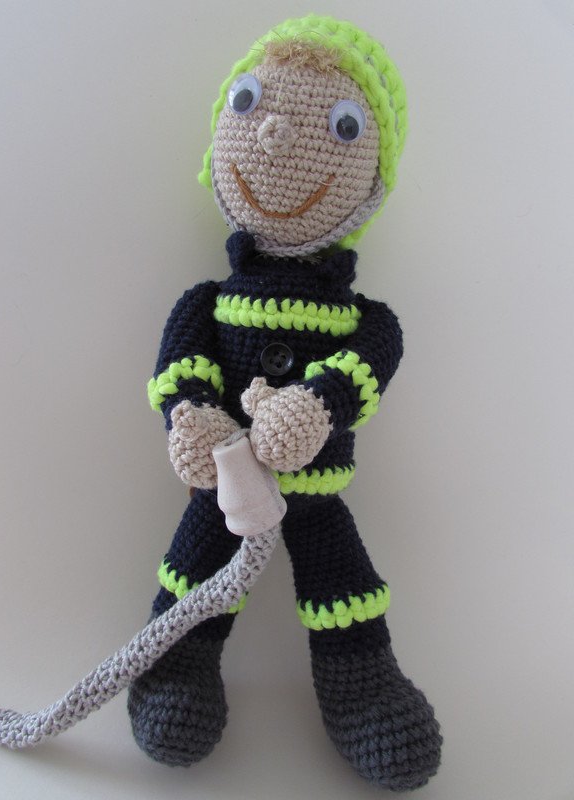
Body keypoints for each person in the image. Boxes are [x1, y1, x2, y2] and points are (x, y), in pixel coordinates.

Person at [128, 14, 442, 790]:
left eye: (341, 127)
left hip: (315, 496)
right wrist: (193, 413)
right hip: (224, 490)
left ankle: (363, 690)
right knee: (193, 578)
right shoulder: (206, 302)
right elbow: (180, 368)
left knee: (344, 591)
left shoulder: (367, 319)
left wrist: (318, 404)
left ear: (375, 178)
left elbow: (366, 364)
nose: (274, 137)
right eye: (248, 103)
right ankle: (172, 669)